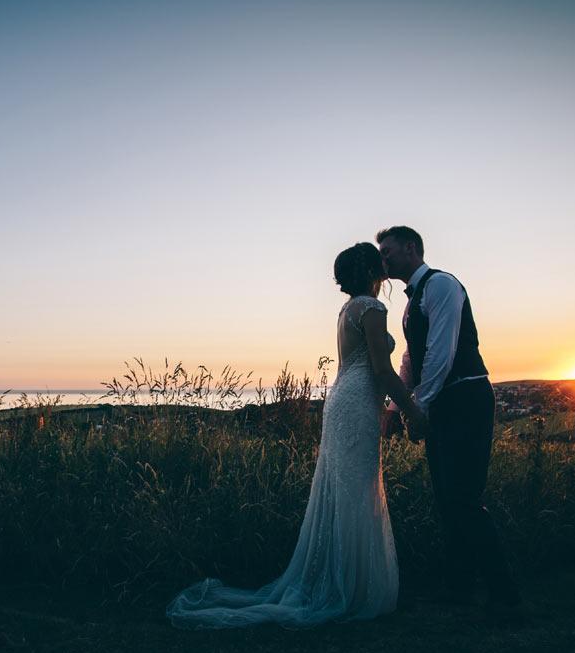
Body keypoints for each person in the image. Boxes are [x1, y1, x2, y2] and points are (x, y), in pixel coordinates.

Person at [166, 242, 426, 629]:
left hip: (343, 399)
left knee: (347, 491)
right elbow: (383, 370)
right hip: (356, 404)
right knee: (357, 491)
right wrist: (411, 409)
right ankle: (351, 589)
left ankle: (342, 581)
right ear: (374, 272)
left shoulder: (347, 309)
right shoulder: (372, 309)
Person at [376, 225, 522, 617]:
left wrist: (417, 409)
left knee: (464, 498)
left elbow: (442, 352)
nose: (382, 259)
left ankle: (505, 594)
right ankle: (459, 586)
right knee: (446, 499)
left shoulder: (441, 286)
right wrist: (395, 408)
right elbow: (412, 360)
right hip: (441, 400)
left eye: (387, 252)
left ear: (411, 248)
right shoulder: (411, 303)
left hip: (465, 398)